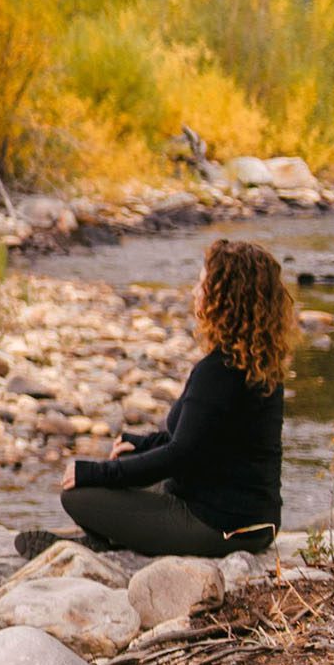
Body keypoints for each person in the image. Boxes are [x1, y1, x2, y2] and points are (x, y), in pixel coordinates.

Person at [43, 236, 291, 558]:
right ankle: (113, 537)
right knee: (129, 466)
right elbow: (201, 439)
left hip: (220, 528)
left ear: (225, 299)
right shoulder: (261, 366)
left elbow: (179, 455)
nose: (194, 292)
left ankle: (109, 541)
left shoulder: (217, 372)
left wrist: (91, 472)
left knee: (79, 494)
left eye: (202, 285)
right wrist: (142, 444)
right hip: (256, 523)